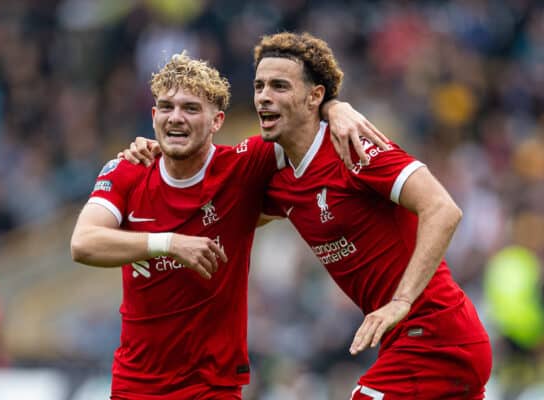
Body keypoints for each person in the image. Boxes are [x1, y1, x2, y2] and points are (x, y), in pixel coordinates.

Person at [125, 32, 492, 399]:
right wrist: (161, 147)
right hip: (415, 341)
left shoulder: (353, 148)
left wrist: (401, 301)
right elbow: (207, 180)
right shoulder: (276, 173)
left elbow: (443, 209)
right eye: (259, 86)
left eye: (280, 86)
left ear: (314, 95)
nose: (264, 96)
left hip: (435, 334)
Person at [71, 52, 385, 399]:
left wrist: (335, 108)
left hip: (212, 388)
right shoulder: (127, 170)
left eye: (191, 108)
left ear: (217, 120)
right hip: (136, 385)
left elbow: (300, 121)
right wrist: (171, 243)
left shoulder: (240, 168)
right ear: (153, 115)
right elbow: (83, 243)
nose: (176, 118)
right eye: (166, 107)